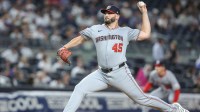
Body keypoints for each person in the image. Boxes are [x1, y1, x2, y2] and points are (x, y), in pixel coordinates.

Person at [60, 2, 188, 112]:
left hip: (120, 72)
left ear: (117, 16)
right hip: (101, 74)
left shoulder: (125, 31)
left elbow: (146, 34)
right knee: (79, 88)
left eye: (110, 13)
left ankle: (174, 109)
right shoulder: (96, 29)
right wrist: (65, 47)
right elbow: (80, 38)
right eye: (105, 13)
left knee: (142, 99)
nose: (107, 15)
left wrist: (144, 12)